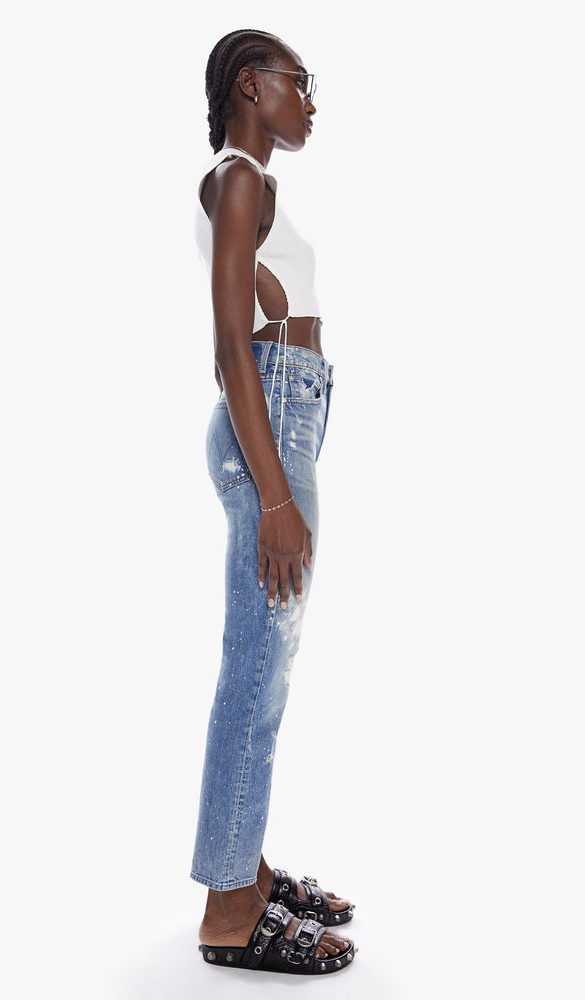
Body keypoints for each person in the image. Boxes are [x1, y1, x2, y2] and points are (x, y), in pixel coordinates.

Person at [191, 29, 357, 976]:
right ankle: (228, 909)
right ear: (251, 86)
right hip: (273, 422)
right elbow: (231, 345)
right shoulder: (238, 177)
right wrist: (278, 494)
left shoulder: (247, 183)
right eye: (301, 81)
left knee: (261, 664)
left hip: (287, 411)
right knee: (257, 671)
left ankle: (244, 870)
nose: (311, 100)